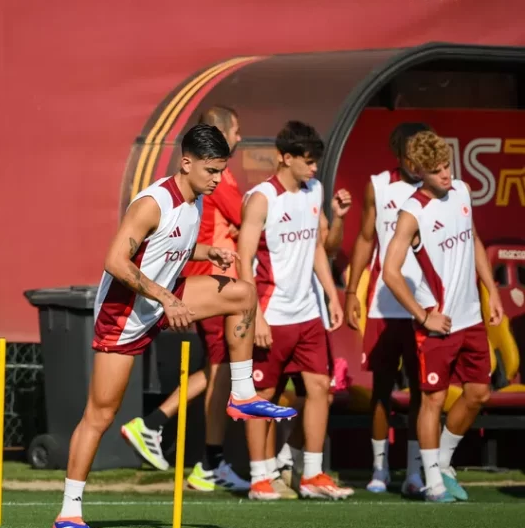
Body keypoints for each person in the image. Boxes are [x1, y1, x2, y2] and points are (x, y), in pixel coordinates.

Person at [53, 124, 296, 528]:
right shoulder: (153, 202)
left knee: (241, 294)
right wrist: (167, 299)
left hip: (165, 298)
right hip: (125, 314)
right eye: (211, 171)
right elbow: (116, 260)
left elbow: (169, 247)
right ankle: (68, 514)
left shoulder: (196, 199)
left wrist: (207, 251)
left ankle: (241, 394)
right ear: (186, 163)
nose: (218, 180)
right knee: (101, 415)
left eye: (221, 171)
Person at [119, 106, 250, 493]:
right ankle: (183, 444)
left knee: (218, 370)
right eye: (238, 130)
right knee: (219, 370)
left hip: (201, 275)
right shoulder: (215, 180)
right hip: (201, 284)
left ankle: (202, 457)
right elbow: (249, 218)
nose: (241, 137)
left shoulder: (205, 182)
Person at [382, 130, 502, 503]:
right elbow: (390, 271)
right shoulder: (412, 212)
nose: (446, 175)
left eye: (448, 166)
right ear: (419, 171)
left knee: (479, 393)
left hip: (472, 319)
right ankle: (432, 482)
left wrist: (492, 290)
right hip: (439, 325)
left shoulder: (463, 192)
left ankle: (444, 462)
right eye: (436, 171)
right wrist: (422, 316)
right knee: (432, 400)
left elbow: (474, 240)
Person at [237, 121, 353, 501]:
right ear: (284, 158)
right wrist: (256, 317)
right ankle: (259, 478)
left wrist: (332, 294)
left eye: (315, 161)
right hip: (272, 311)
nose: (314, 168)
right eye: (307, 161)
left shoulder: (315, 190)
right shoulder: (261, 198)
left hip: (308, 315)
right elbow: (244, 259)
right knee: (264, 394)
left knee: (320, 388)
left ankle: (312, 475)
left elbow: (317, 247)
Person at [344, 122, 432, 496]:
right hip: (384, 304)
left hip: (426, 306)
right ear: (399, 152)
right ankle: (379, 469)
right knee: (381, 388)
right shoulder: (379, 185)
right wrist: (351, 292)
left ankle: (415, 472)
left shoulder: (441, 190)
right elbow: (365, 238)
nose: (419, 160)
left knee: (423, 393)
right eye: (412, 152)